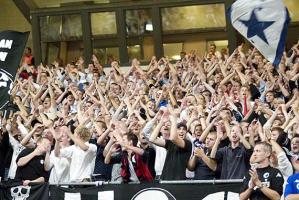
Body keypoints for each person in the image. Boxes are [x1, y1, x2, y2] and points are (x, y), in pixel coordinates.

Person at [149, 108, 192, 180]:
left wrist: (174, 119)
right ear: (175, 130)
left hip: (178, 181)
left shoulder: (188, 143)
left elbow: (173, 138)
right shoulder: (170, 143)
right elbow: (152, 139)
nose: (181, 131)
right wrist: (161, 122)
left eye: (184, 129)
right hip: (165, 179)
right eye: (179, 129)